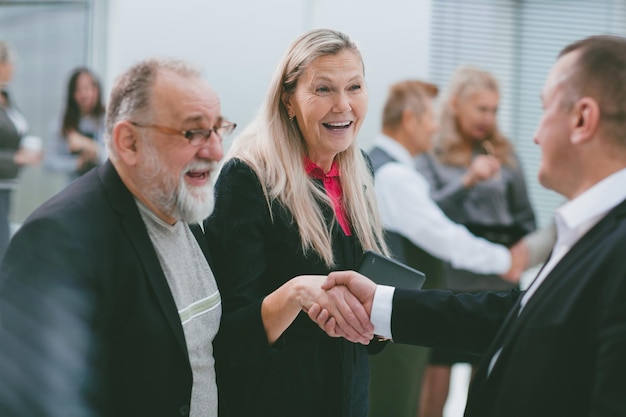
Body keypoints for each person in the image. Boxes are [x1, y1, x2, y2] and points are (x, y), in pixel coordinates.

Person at [312, 34, 626, 417]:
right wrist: (379, 303)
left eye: (545, 110)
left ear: (582, 120)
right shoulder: (591, 231)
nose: (535, 134)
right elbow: (514, 315)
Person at [1, 57, 238, 417]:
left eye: (218, 129)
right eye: (193, 132)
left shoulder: (181, 206)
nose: (216, 150)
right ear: (128, 142)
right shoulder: (58, 240)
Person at [204, 28, 388, 417]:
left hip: (347, 399)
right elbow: (230, 337)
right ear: (288, 101)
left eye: (354, 87)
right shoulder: (248, 179)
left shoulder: (359, 170)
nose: (343, 105)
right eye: (323, 90)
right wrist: (294, 295)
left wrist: (382, 316)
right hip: (275, 400)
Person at [367, 79, 526, 417]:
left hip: (393, 311)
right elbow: (444, 237)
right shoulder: (396, 176)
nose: (437, 127)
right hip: (395, 318)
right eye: (431, 119)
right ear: (410, 119)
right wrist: (504, 260)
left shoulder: (377, 163)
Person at [414, 66, 537, 417]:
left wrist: (521, 256)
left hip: (497, 281)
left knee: (485, 389)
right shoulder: (430, 155)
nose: (489, 118)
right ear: (455, 105)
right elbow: (426, 217)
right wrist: (468, 180)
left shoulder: (506, 155)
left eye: (494, 110)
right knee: (433, 391)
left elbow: (527, 220)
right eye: (481, 108)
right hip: (449, 282)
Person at [0, 40, 42, 261]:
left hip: (7, 184)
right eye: (11, 63)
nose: (14, 68)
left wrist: (27, 153)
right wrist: (16, 157)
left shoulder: (7, 98)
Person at [45, 67, 106, 183]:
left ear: (97, 90)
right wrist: (76, 163)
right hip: (74, 187)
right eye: (78, 89)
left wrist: (88, 145)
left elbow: (116, 159)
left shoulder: (108, 119)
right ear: (72, 94)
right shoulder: (62, 122)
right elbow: (49, 162)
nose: (85, 94)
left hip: (103, 187)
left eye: (89, 88)